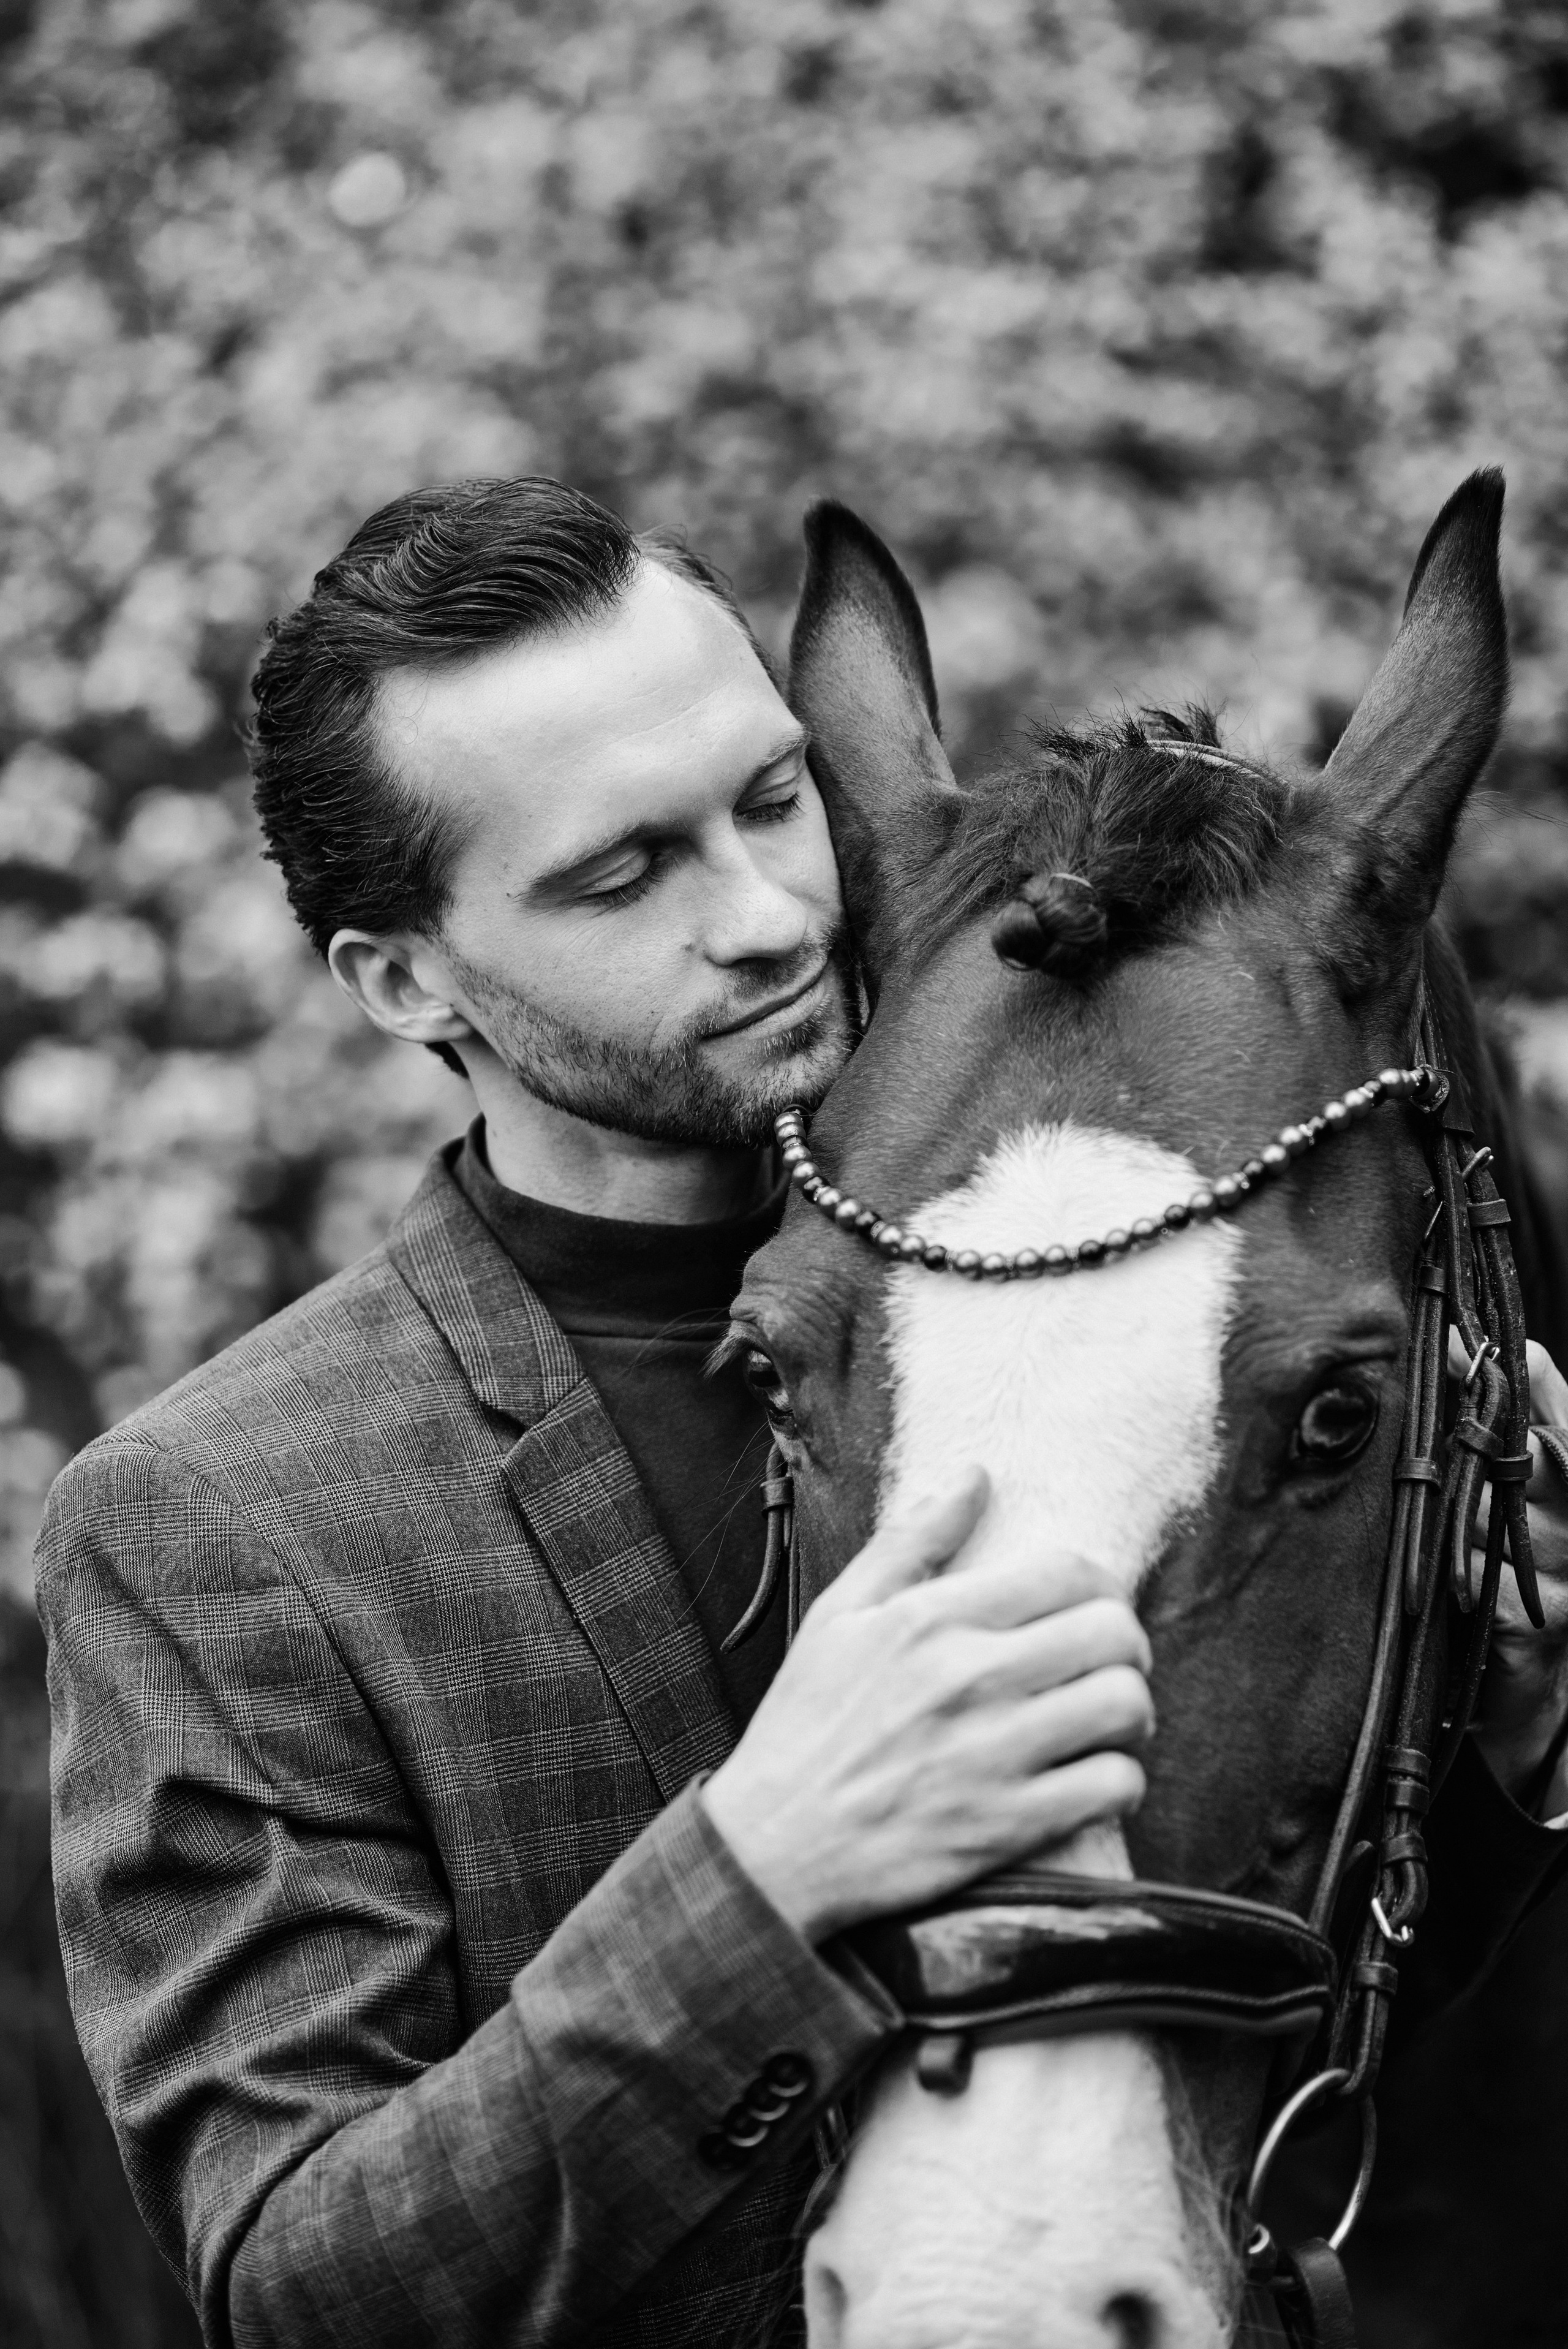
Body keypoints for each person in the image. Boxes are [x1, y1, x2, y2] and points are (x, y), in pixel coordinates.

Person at [34, 478, 1568, 2349]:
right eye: (623, 875)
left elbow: (1277, 1960)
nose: (766, 916)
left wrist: (1506, 1733)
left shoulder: (1103, 1262)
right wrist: (756, 1867)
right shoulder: (216, 1520)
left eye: (773, 800)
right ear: (399, 977)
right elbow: (293, 2283)